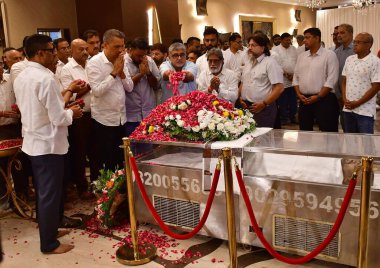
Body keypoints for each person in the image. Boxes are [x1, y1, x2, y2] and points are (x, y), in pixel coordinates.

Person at [13, 34, 83, 254]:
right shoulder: (45, 78)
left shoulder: (23, 76)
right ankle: (49, 244)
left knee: (46, 192)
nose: (56, 55)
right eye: (52, 51)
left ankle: (50, 231)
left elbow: (43, 108)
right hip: (48, 144)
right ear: (40, 53)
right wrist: (73, 113)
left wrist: (66, 102)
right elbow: (57, 117)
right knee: (49, 193)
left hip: (35, 141)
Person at [86, 29, 133, 173]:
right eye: (116, 47)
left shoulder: (122, 61)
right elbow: (98, 91)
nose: (120, 51)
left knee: (120, 159)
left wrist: (122, 72)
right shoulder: (94, 63)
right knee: (105, 161)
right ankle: (105, 193)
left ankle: (121, 191)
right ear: (105, 45)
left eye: (122, 46)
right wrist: (113, 73)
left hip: (121, 118)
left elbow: (130, 87)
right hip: (103, 120)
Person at [59, 39, 94, 199]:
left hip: (97, 113)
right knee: (79, 153)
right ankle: (82, 187)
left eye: (86, 49)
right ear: (72, 51)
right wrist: (91, 86)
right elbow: (70, 96)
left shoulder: (92, 64)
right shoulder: (67, 69)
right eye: (81, 49)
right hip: (78, 116)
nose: (86, 52)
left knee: (95, 152)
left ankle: (97, 184)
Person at [293, 27, 340, 132]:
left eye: (307, 37)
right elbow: (295, 77)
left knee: (328, 131)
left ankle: (329, 149)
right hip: (305, 99)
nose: (304, 40)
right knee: (305, 131)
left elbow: (331, 79)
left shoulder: (329, 55)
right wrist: (299, 94)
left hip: (324, 99)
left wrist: (318, 96)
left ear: (317, 38)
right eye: (304, 38)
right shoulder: (302, 56)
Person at [238, 34, 284, 128]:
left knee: (262, 139)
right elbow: (243, 82)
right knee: (247, 137)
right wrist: (240, 98)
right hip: (246, 106)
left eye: (253, 45)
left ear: (262, 48)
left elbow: (279, 88)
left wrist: (264, 103)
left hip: (263, 108)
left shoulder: (270, 63)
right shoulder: (248, 62)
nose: (249, 48)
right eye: (249, 45)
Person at [342, 33, 380, 134]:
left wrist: (357, 103)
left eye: (359, 42)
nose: (355, 44)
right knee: (350, 141)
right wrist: (345, 99)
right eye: (355, 42)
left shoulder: (375, 62)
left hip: (365, 111)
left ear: (369, 45)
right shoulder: (349, 59)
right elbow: (344, 81)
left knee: (366, 144)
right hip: (348, 109)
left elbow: (376, 87)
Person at [124, 38, 160, 143]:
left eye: (143, 55)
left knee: (148, 148)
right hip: (130, 116)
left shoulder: (149, 60)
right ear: (130, 50)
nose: (141, 58)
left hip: (148, 113)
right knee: (132, 150)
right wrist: (141, 74)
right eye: (138, 55)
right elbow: (127, 87)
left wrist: (148, 73)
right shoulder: (123, 62)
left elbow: (156, 85)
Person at [272, 32, 298, 125]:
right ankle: (284, 117)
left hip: (293, 80)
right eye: (287, 40)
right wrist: (286, 74)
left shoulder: (294, 49)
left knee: (293, 100)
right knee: (282, 101)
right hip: (282, 80)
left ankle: (293, 116)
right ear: (282, 40)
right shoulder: (275, 50)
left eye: (290, 40)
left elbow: (297, 62)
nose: (289, 41)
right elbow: (276, 64)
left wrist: (294, 75)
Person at [335, 24, 354, 130]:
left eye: (342, 33)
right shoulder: (336, 52)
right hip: (340, 95)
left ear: (351, 34)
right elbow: (336, 75)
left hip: (354, 96)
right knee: (345, 126)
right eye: (338, 33)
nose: (338, 35)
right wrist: (339, 95)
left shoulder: (357, 50)